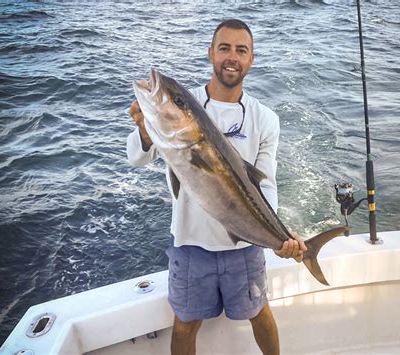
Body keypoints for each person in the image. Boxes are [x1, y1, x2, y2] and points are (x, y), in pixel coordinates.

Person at [127, 19, 307, 355]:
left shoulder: (264, 118)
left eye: (241, 50)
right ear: (211, 53)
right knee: (184, 324)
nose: (232, 57)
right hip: (190, 243)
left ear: (251, 59)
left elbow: (266, 184)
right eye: (224, 48)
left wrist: (282, 239)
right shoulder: (187, 102)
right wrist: (145, 130)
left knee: (259, 313)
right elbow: (137, 157)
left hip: (246, 248)